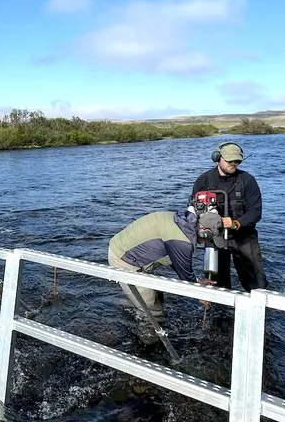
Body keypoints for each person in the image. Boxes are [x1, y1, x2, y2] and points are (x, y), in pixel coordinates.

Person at [108, 209, 214, 344]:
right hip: (124, 261)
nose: (203, 242)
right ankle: (149, 344)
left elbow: (177, 263)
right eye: (207, 239)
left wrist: (197, 282)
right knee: (153, 312)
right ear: (204, 232)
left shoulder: (182, 222)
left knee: (157, 296)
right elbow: (185, 275)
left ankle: (134, 305)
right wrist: (200, 293)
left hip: (128, 252)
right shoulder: (181, 241)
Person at [189, 141, 267, 292]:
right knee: (216, 284)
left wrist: (236, 223)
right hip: (215, 237)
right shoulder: (203, 180)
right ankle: (220, 312)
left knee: (256, 284)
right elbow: (193, 210)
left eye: (237, 161)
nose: (234, 163)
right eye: (230, 160)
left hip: (243, 235)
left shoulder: (247, 180)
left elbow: (255, 211)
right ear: (217, 158)